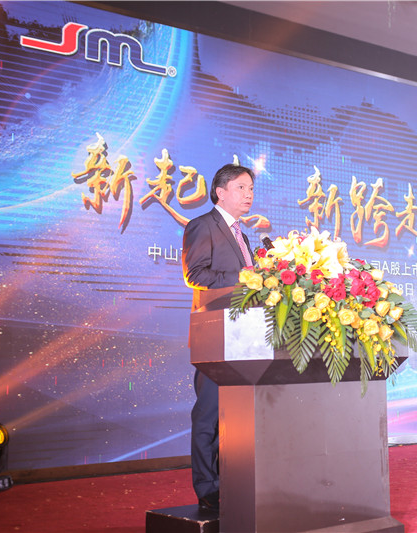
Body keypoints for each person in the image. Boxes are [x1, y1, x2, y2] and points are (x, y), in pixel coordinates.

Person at [181, 163, 255, 513]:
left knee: (235, 420)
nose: (249, 194)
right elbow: (195, 274)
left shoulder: (244, 236)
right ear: (220, 192)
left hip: (244, 338)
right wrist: (246, 277)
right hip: (215, 336)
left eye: (251, 188)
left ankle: (232, 483)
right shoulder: (202, 225)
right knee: (209, 416)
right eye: (241, 187)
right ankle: (208, 488)